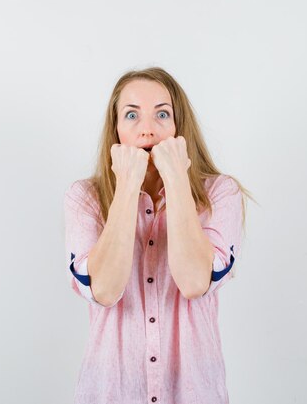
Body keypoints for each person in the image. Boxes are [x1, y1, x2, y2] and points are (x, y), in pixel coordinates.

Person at [63, 67, 255, 404]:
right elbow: (104, 290)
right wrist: (126, 186)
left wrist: (177, 178)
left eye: (162, 114)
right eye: (132, 115)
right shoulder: (85, 199)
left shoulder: (221, 194)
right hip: (111, 393)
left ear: (180, 129)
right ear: (116, 130)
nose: (147, 130)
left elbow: (196, 281)